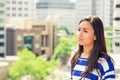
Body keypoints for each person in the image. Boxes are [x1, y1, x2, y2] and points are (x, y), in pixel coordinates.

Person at [70, 16, 116, 80]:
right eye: (79, 30)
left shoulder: (104, 61)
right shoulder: (75, 56)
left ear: (95, 36)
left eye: (85, 31)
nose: (79, 34)